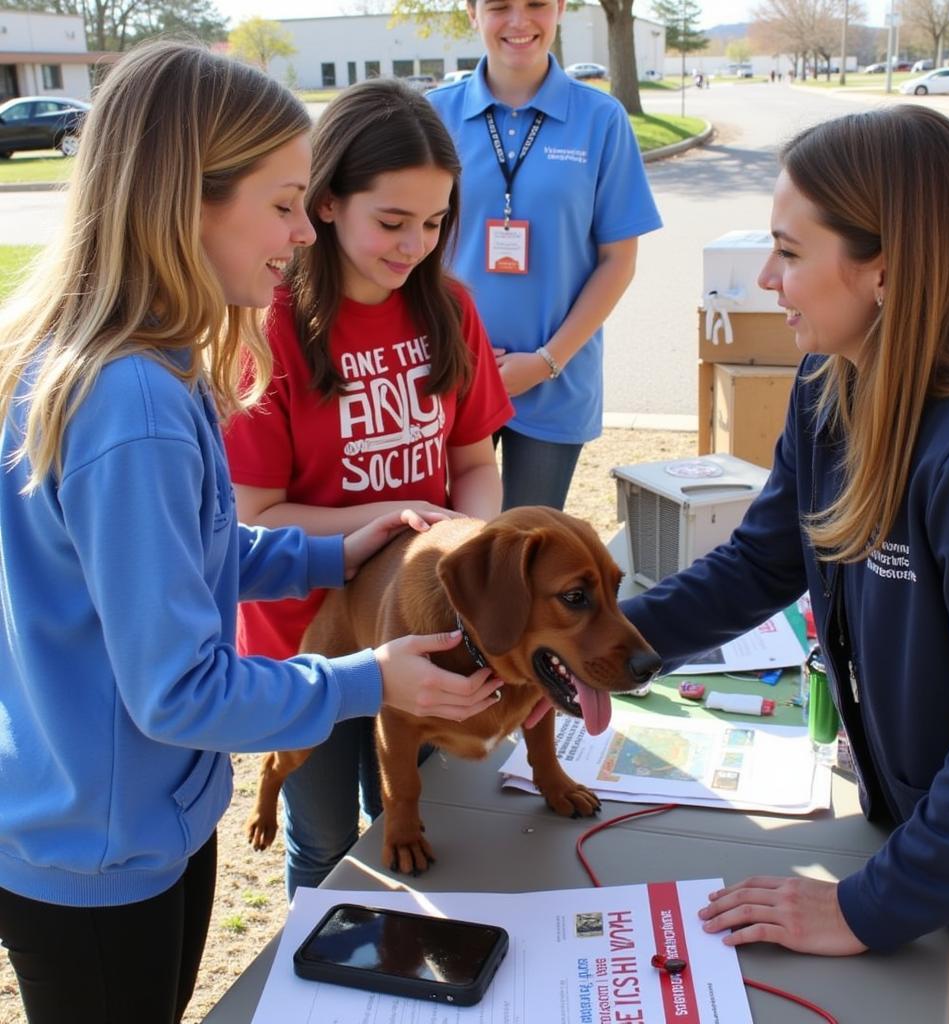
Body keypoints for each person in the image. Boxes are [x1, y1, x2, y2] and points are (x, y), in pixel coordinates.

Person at [0, 43, 501, 1024]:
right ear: (188, 200)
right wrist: (371, 678)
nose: (301, 233)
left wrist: (330, 551)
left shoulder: (128, 362)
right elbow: (178, 689)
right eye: (282, 205)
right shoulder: (133, 401)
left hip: (111, 816)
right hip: (101, 846)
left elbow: (180, 560)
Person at [620, 105, 949, 1023]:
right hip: (923, 843)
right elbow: (764, 563)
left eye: (790, 253)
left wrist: (867, 907)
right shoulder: (831, 378)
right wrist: (604, 643)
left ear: (883, 266)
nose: (766, 280)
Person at [224, 78, 513, 898]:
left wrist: (469, 543)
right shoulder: (269, 323)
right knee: (322, 840)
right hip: (301, 633)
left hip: (425, 623)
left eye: (433, 222)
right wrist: (392, 517)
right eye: (391, 222)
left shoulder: (451, 310)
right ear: (323, 204)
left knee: (410, 820)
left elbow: (476, 463)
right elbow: (255, 514)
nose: (415, 244)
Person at [428, 0, 662, 512]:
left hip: (554, 380)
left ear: (559, 8)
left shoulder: (601, 120)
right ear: (472, 12)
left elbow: (617, 260)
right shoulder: (433, 115)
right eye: (498, 7)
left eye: (536, 3)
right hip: (450, 374)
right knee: (441, 548)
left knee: (522, 556)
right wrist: (448, 347)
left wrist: (546, 361)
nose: (519, 21)